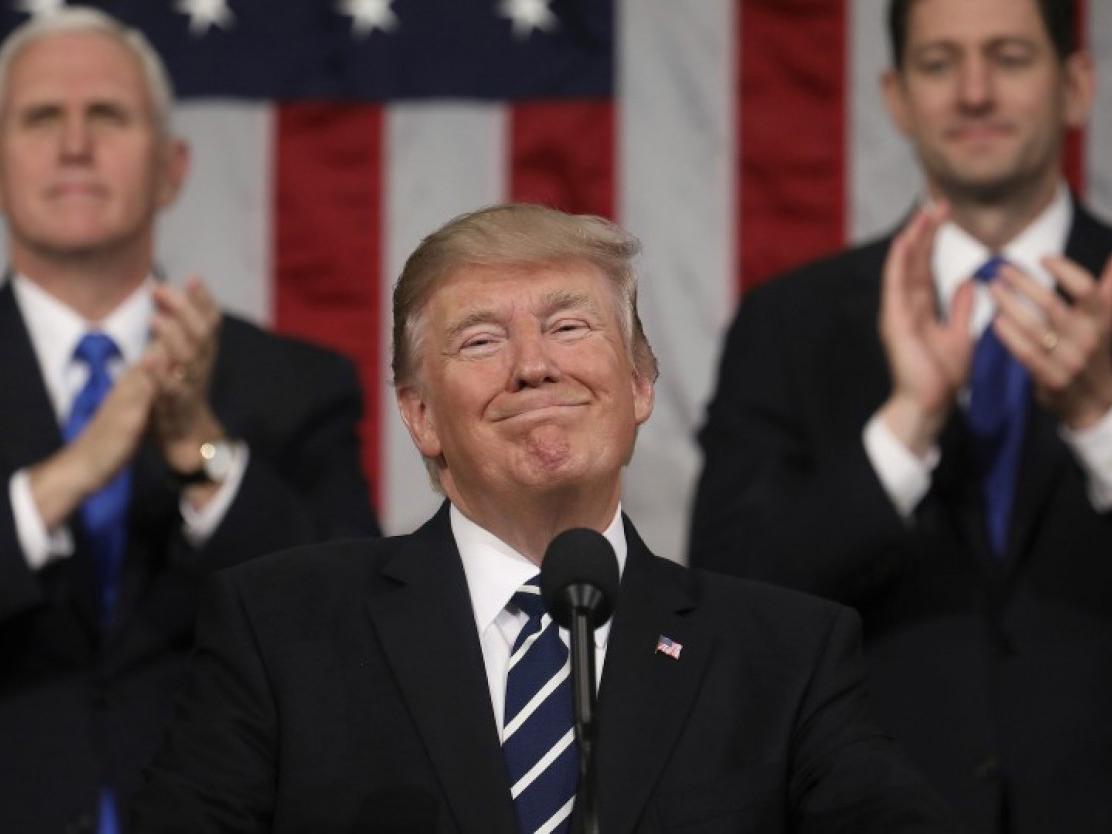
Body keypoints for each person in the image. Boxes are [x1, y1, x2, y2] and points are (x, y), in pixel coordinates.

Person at [131, 203, 957, 834]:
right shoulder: (282, 628)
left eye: (569, 326)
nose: (533, 365)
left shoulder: (785, 655)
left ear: (639, 385)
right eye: (482, 341)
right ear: (420, 415)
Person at [689, 1, 1112, 831]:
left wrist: (1101, 422)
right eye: (939, 63)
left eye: (1011, 58)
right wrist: (905, 428)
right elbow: (726, 608)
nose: (975, 92)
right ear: (895, 95)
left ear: (1075, 86)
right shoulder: (790, 323)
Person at [0, 9, 380, 833]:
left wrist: (200, 451)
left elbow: (353, 634)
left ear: (172, 169)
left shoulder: (295, 384)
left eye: (107, 115)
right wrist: (62, 481)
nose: (74, 145)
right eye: (39, 118)